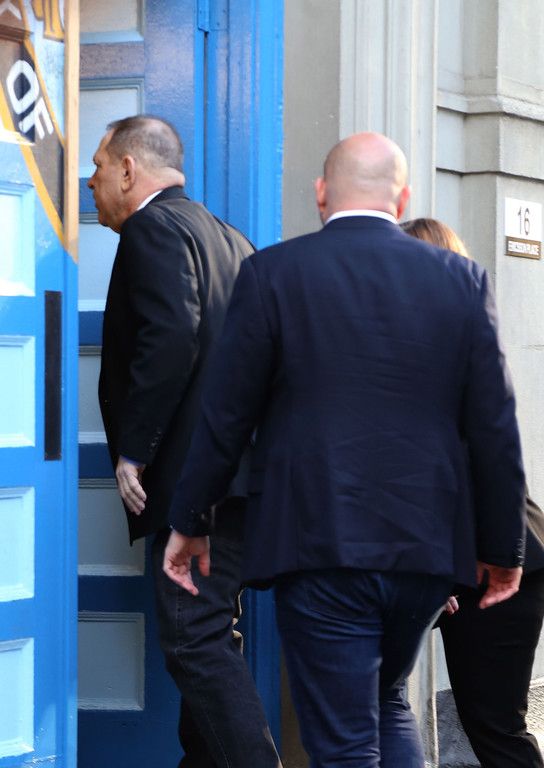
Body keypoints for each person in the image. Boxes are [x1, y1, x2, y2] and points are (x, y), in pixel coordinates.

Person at [163, 132, 526, 768]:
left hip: (320, 544)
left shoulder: (274, 274)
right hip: (424, 551)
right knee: (384, 701)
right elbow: (495, 428)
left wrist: (191, 521)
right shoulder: (462, 280)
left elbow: (226, 417)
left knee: (346, 743)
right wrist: (503, 550)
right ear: (402, 198)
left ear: (321, 193)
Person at [89, 115, 281, 768]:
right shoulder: (231, 237)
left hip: (197, 482)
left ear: (127, 170)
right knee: (210, 632)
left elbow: (172, 335)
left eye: (97, 166)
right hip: (240, 478)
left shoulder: (152, 228)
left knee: (194, 638)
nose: (89, 182)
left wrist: (135, 451)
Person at [403, 217, 544, 768]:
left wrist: (441, 567)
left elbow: (471, 470)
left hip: (498, 562)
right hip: (467, 560)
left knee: (495, 727)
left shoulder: (448, 354)